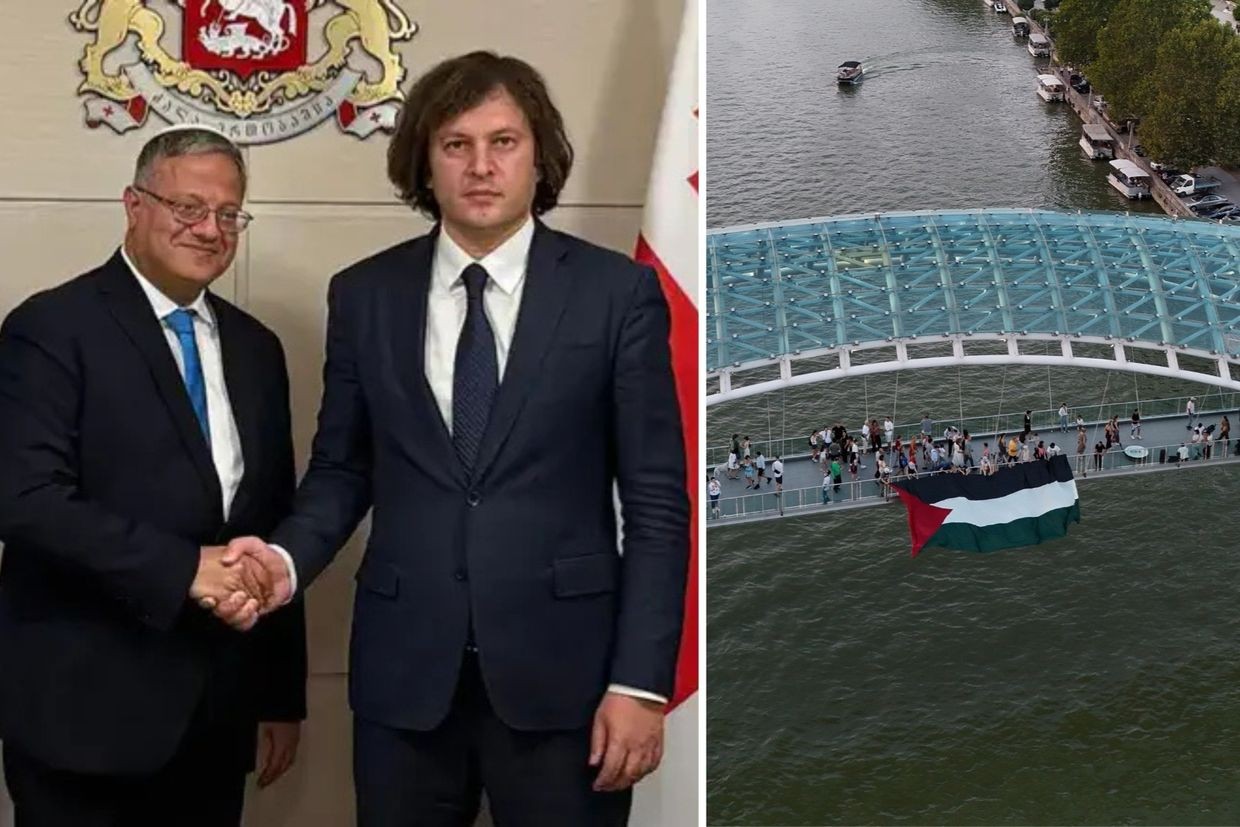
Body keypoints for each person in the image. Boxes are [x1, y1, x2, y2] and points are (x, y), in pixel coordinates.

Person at [215, 53, 689, 825]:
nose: (480, 166)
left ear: (540, 158)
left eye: (503, 141)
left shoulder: (616, 294)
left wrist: (640, 682)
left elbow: (658, 503)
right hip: (405, 682)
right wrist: (282, 559)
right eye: (455, 143)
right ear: (424, 164)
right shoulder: (364, 294)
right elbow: (341, 469)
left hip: (568, 681)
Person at [0, 127, 307, 825]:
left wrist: (280, 696)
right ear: (134, 206)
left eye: (228, 214)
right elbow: (22, 498)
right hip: (83, 715)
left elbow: (273, 522)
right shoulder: (52, 327)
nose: (210, 229)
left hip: (218, 717)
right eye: (188, 207)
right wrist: (180, 568)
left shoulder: (258, 349)